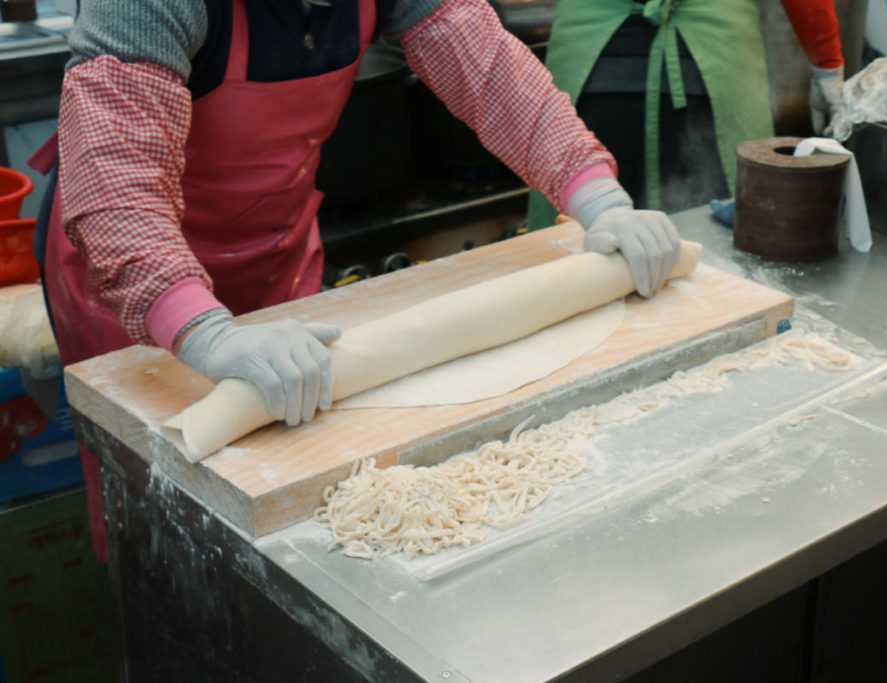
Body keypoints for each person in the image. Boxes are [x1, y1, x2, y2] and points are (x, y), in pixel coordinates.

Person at [29, 0, 684, 561]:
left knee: (290, 495)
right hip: (133, 287)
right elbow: (116, 184)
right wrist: (203, 330)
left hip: (272, 251)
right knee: (164, 517)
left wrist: (598, 195)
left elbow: (488, 69)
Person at [527, 0, 846, 229]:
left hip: (593, 62)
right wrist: (827, 63)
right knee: (714, 261)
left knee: (578, 253)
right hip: (712, 58)